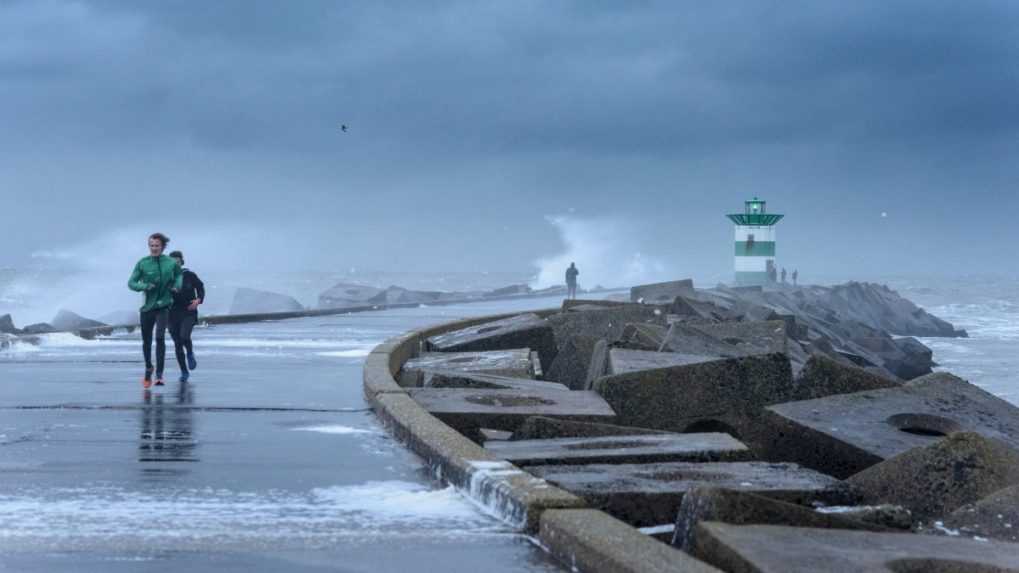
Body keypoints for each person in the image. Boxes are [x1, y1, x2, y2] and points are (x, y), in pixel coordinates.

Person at [128, 232, 182, 389]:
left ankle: (159, 374)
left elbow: (179, 276)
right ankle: (148, 368)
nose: (154, 248)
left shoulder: (171, 263)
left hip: (163, 306)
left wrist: (177, 286)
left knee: (159, 337)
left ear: (163, 247)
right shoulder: (143, 263)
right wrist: (144, 286)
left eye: (157, 246)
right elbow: (131, 283)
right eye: (151, 245)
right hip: (147, 308)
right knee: (147, 341)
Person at [168, 250, 205, 383]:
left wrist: (198, 300)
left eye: (177, 262)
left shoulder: (189, 275)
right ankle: (184, 371)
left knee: (184, 336)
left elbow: (200, 287)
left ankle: (190, 353)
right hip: (171, 314)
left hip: (188, 311)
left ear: (181, 262)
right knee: (177, 344)